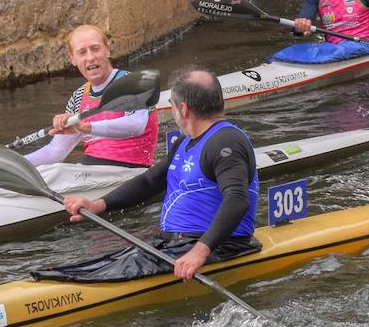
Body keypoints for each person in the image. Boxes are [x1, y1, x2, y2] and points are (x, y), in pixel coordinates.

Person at [62, 67, 260, 281]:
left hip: (220, 246)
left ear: (183, 109)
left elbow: (237, 200)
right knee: (91, 267)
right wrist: (96, 205)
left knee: (104, 275)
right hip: (176, 243)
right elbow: (150, 181)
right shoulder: (184, 142)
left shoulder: (226, 141)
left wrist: (200, 251)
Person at [26, 24, 158, 170]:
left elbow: (136, 125)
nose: (90, 57)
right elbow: (55, 152)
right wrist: (13, 165)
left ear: (107, 50)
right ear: (73, 59)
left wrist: (85, 127)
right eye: (82, 52)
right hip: (90, 171)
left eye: (95, 49)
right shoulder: (78, 97)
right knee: (47, 172)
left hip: (131, 171)